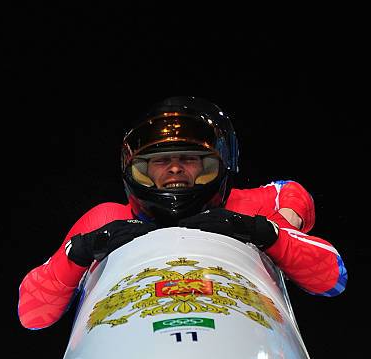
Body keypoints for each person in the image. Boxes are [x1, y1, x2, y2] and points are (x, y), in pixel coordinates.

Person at [18, 96, 347, 330]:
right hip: (134, 344)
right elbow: (32, 314)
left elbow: (332, 277)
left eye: (188, 159)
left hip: (236, 337)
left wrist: (267, 233)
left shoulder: (254, 207)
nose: (174, 169)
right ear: (138, 170)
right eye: (160, 161)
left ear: (214, 165)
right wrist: (79, 252)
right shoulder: (105, 219)